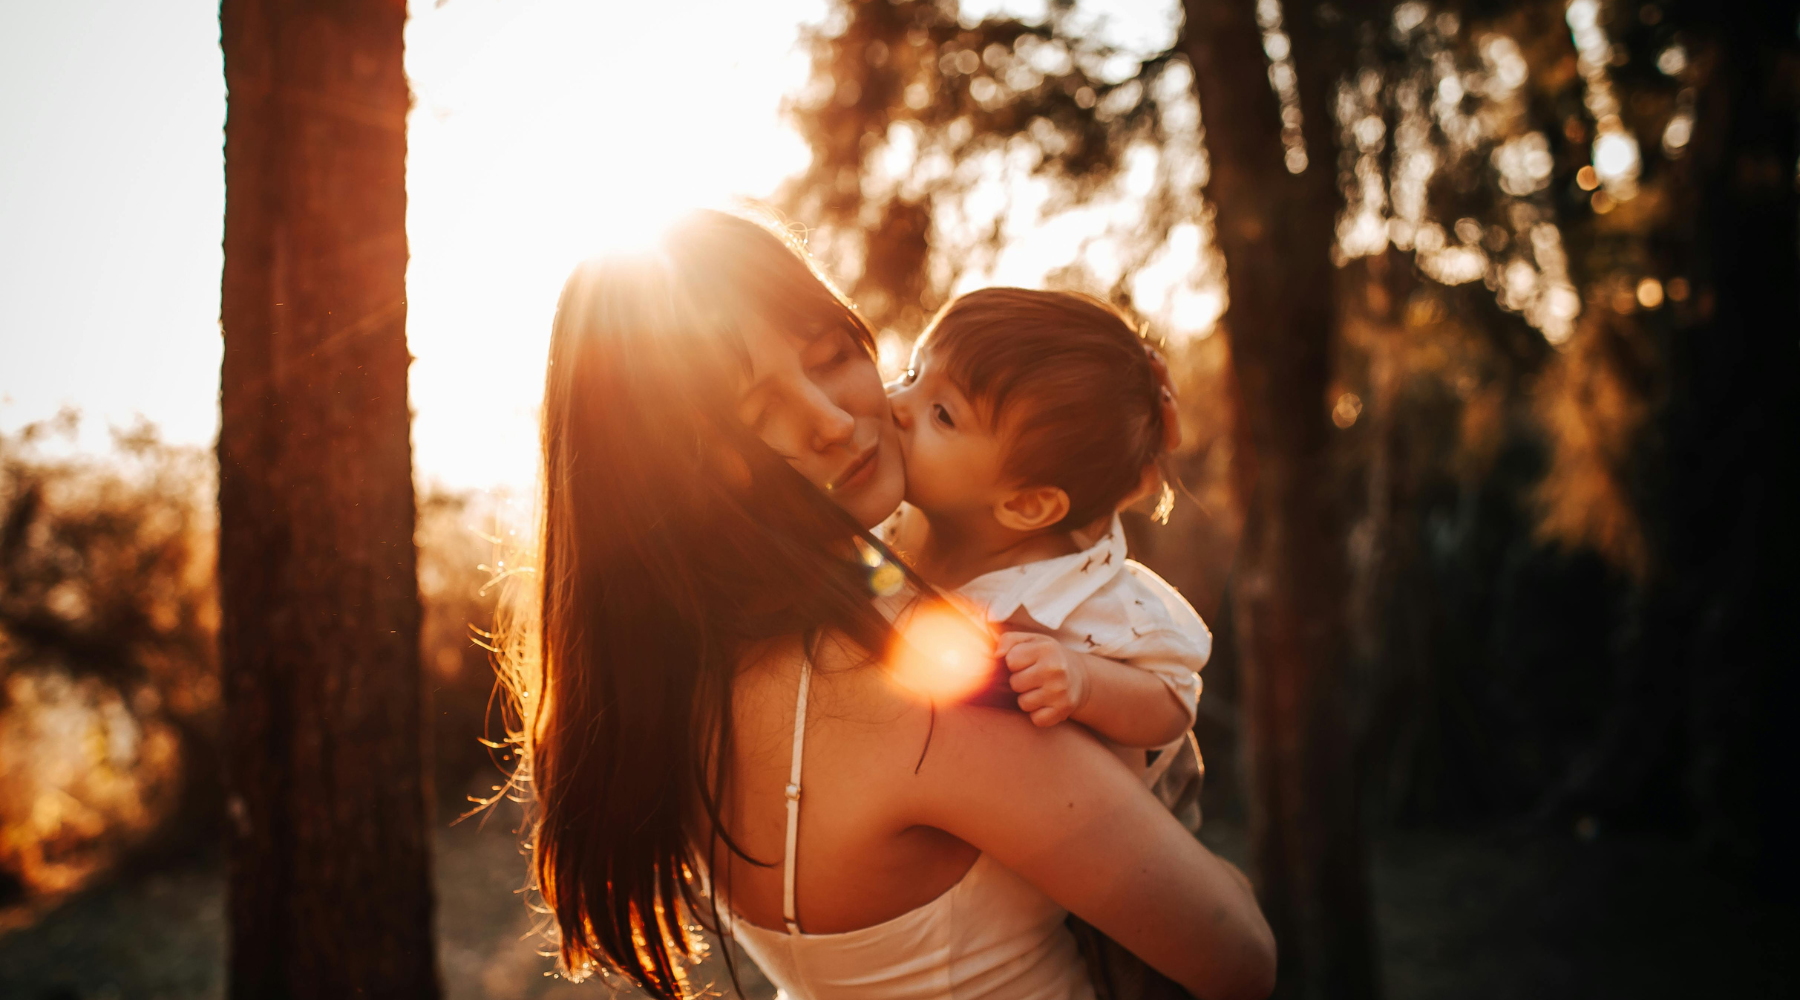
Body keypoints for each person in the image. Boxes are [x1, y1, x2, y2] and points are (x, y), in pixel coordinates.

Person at [503, 208, 1275, 1000]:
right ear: (678, 469)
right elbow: (1238, 957)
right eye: (759, 414)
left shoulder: (672, 676)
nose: (835, 423)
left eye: (832, 355)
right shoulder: (929, 680)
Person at [883, 288, 1211, 1000]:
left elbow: (1173, 702)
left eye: (941, 413)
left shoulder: (1090, 601)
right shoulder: (896, 534)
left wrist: (1086, 680)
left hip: (1134, 839)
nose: (896, 403)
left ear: (1027, 504)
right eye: (911, 373)